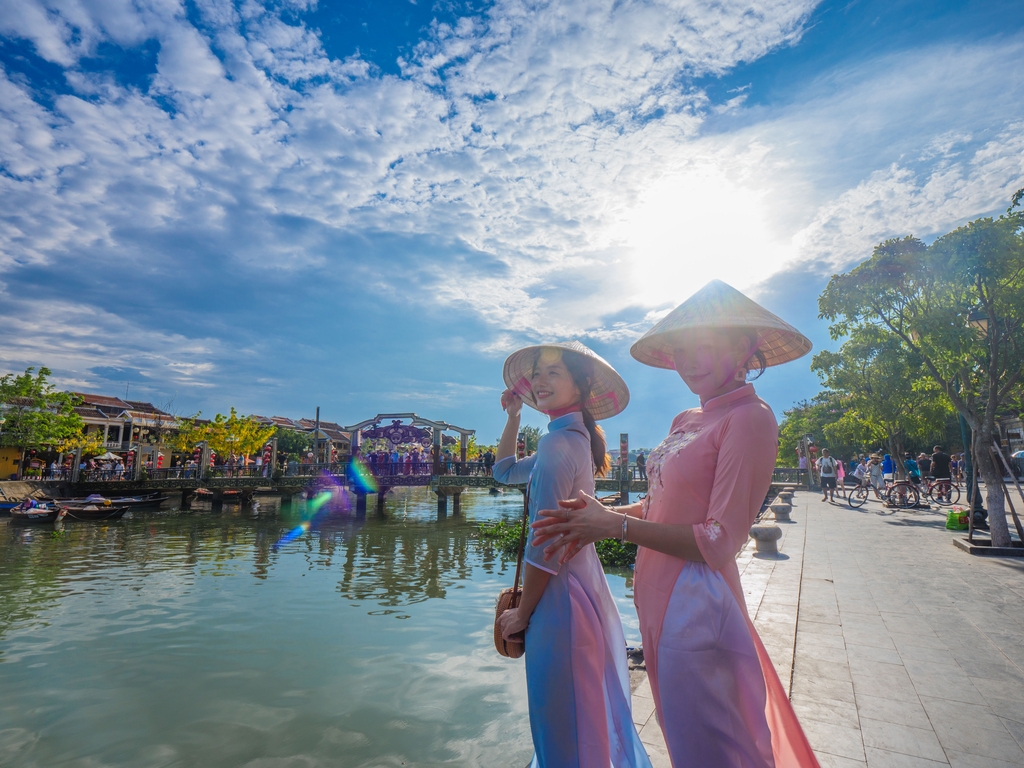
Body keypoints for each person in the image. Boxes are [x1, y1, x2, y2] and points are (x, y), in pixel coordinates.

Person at [532, 281, 818, 767]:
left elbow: (718, 540)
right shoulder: (687, 418)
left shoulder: (751, 418)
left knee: (709, 744)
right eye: (681, 349)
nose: (689, 360)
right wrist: (592, 519)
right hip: (655, 593)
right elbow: (659, 504)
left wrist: (612, 527)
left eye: (704, 345)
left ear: (745, 349)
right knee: (678, 730)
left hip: (696, 602)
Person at [492, 341, 650, 768]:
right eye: (537, 375)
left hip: (559, 599)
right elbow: (504, 471)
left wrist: (522, 613)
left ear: (579, 386)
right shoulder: (567, 438)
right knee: (581, 716)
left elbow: (545, 547)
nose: (540, 382)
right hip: (580, 589)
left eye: (553, 373)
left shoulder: (559, 446)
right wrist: (514, 418)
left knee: (560, 723)